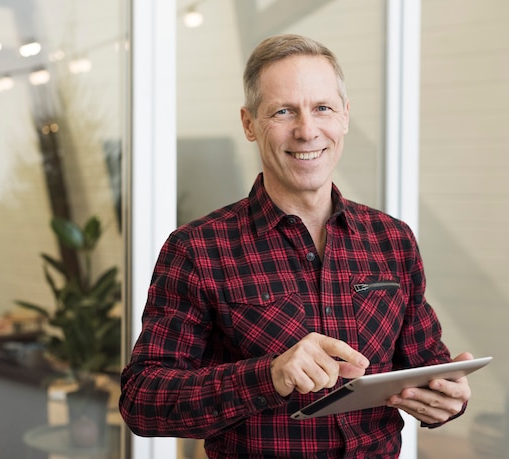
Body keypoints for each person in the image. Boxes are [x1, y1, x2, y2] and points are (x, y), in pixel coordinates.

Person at [119, 34, 472, 458]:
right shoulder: (197, 250)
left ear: (344, 117)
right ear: (249, 124)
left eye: (322, 108)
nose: (307, 131)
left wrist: (446, 399)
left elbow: (425, 367)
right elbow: (143, 400)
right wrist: (269, 376)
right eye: (283, 111)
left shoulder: (392, 239)